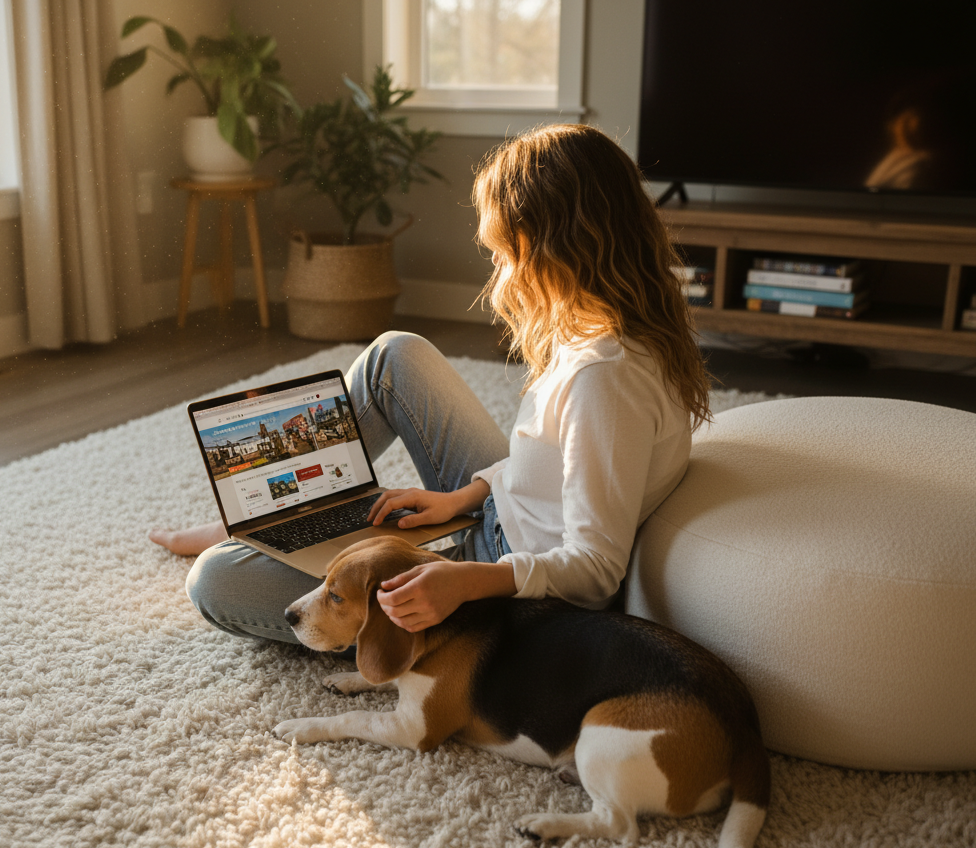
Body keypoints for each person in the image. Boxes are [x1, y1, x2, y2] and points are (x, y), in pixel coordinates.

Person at [151, 124, 711, 641]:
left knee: (217, 580)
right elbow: (546, 462)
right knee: (394, 355)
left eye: (505, 255)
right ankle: (281, 516)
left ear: (552, 250)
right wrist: (461, 497)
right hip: (498, 516)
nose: (500, 275)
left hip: (498, 579)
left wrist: (460, 582)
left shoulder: (604, 380)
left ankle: (268, 529)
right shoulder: (611, 329)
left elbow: (594, 574)